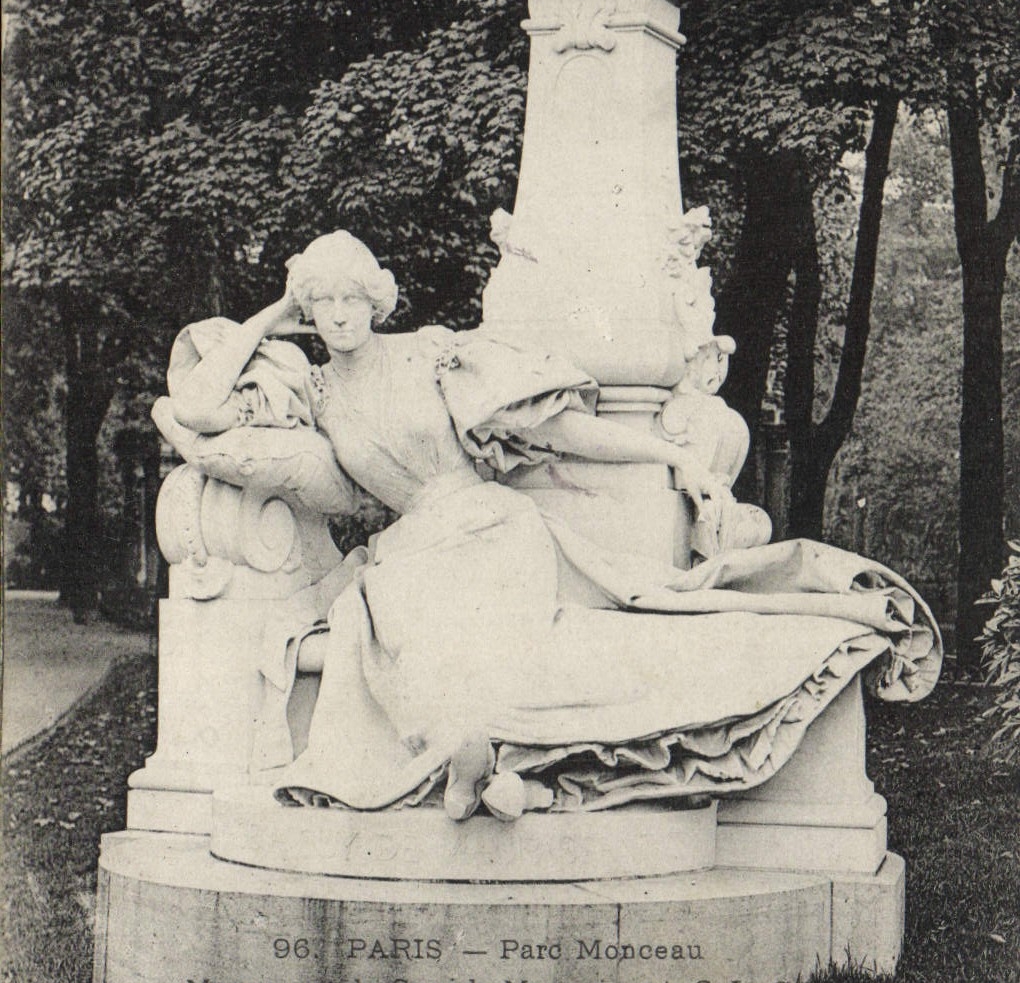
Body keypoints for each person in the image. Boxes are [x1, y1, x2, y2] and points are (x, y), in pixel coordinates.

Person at [166, 232, 941, 824]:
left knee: (487, 638)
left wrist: (673, 456)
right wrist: (275, 312)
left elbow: (568, 432)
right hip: (410, 546)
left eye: (349, 300)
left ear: (376, 302)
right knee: (397, 614)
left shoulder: (436, 358)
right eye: (321, 302)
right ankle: (491, 770)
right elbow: (199, 408)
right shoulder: (311, 389)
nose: (337, 316)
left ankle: (490, 766)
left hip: (491, 528)